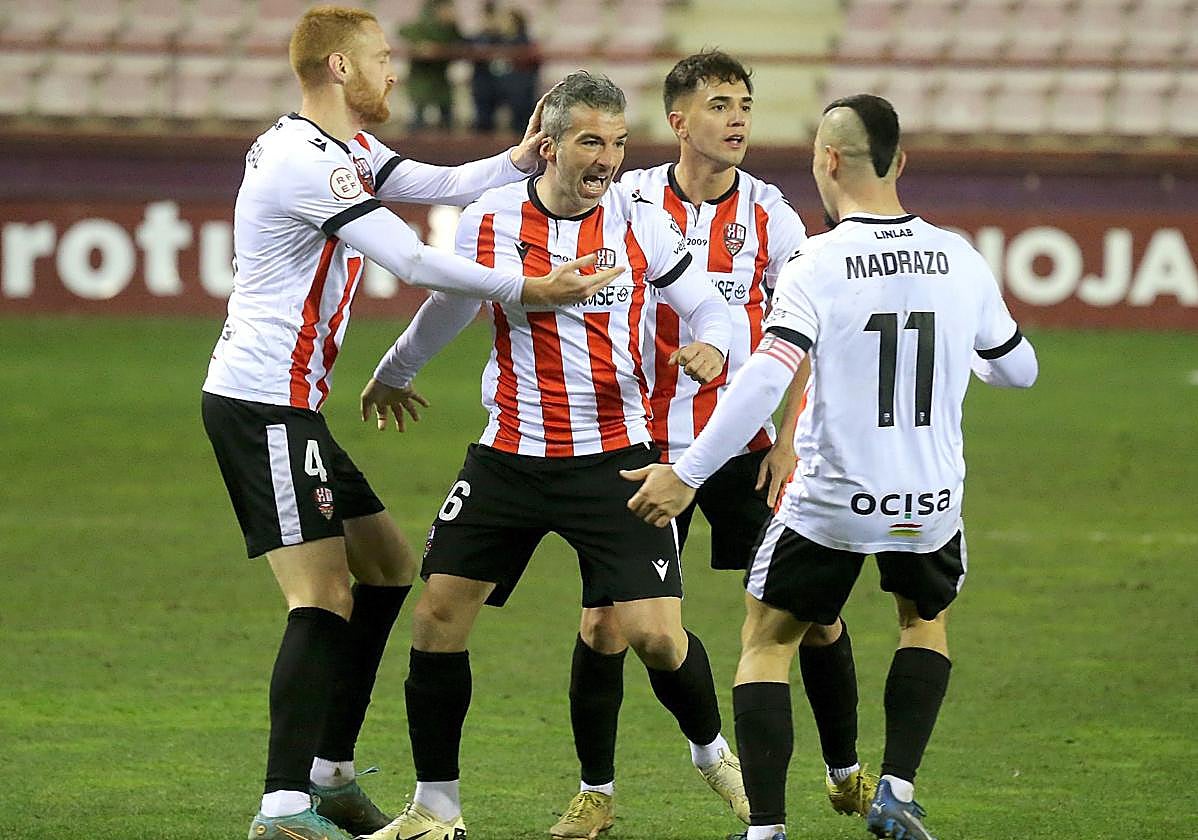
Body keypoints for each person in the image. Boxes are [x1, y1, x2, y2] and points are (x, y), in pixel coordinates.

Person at [199, 8, 621, 840]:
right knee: (322, 596)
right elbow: (415, 260)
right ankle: (282, 809)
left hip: (289, 405)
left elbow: (438, 184)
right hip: (260, 403)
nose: (394, 71)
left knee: (388, 567)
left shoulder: (344, 147)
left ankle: (330, 773)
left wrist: (518, 159)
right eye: (381, 57)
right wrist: (528, 288)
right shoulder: (304, 161)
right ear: (337, 67)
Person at [621, 94, 1039, 840]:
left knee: (767, 642)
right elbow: (1019, 371)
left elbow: (766, 377)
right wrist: (962, 355)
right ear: (899, 161)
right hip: (929, 498)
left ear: (828, 161)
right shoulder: (959, 257)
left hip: (836, 497)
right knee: (922, 623)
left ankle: (766, 828)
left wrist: (687, 473)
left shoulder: (819, 260)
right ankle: (897, 790)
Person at [357, 71, 748, 840]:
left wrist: (712, 343)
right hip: (509, 456)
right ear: (549, 145)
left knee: (655, 636)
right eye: (591, 142)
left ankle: (712, 755)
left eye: (618, 143)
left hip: (614, 460)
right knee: (437, 616)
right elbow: (452, 303)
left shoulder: (639, 219)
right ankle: (436, 809)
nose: (608, 159)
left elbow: (708, 303)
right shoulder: (492, 216)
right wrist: (396, 370)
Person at [547, 50, 876, 840]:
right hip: (640, 447)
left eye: (745, 106)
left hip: (746, 449)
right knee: (605, 625)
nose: (737, 120)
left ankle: (843, 768)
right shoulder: (626, 199)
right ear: (678, 121)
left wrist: (789, 439)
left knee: (812, 613)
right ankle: (595, 793)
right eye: (720, 105)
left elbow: (813, 335)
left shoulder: (772, 216)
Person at [398, 0, 463, 130]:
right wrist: (420, 45)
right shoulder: (422, 25)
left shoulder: (450, 28)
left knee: (446, 115)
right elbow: (403, 31)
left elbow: (461, 42)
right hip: (421, 78)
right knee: (418, 116)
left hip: (441, 79)